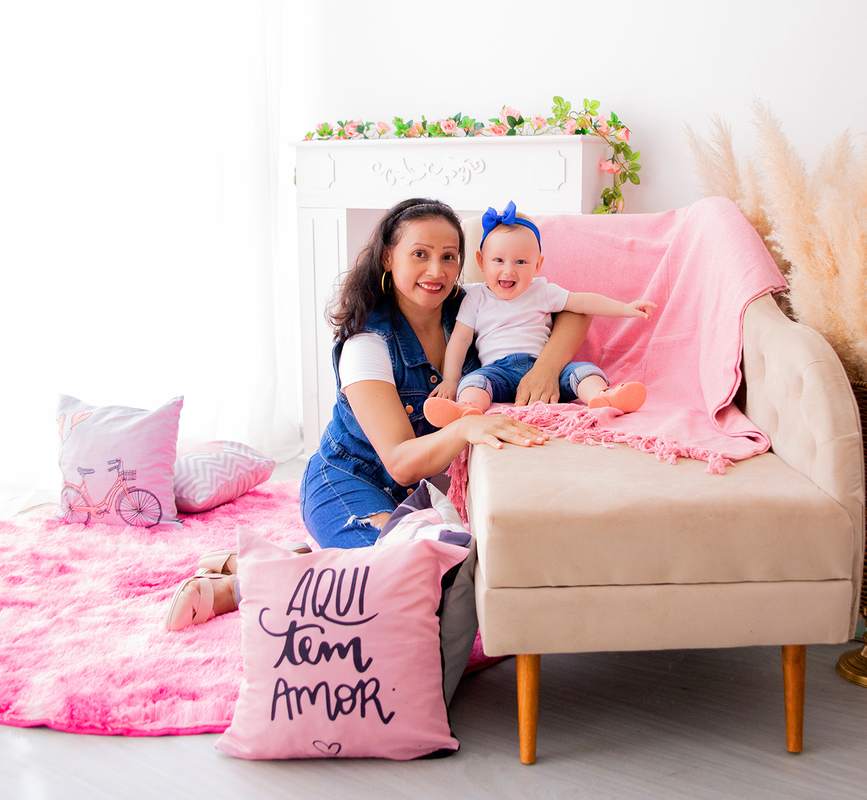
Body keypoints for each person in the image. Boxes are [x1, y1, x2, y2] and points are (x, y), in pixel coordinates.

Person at [164, 197, 591, 631]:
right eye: (419, 255)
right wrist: (467, 426)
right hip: (349, 482)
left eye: (449, 257)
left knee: (444, 579)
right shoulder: (367, 343)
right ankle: (245, 583)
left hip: (420, 497)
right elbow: (401, 462)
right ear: (389, 256)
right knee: (401, 573)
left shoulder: (471, 307)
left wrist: (544, 367)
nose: (436, 272)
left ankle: (301, 558)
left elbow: (573, 310)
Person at [423, 201, 655, 428]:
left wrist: (625, 309)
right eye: (498, 260)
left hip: (543, 368)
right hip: (497, 371)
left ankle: (603, 397)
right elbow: (459, 341)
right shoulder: (475, 298)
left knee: (584, 371)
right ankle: (466, 408)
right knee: (473, 382)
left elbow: (583, 301)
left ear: (537, 265)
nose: (509, 269)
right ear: (481, 261)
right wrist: (451, 380)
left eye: (521, 262)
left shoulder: (541, 291)